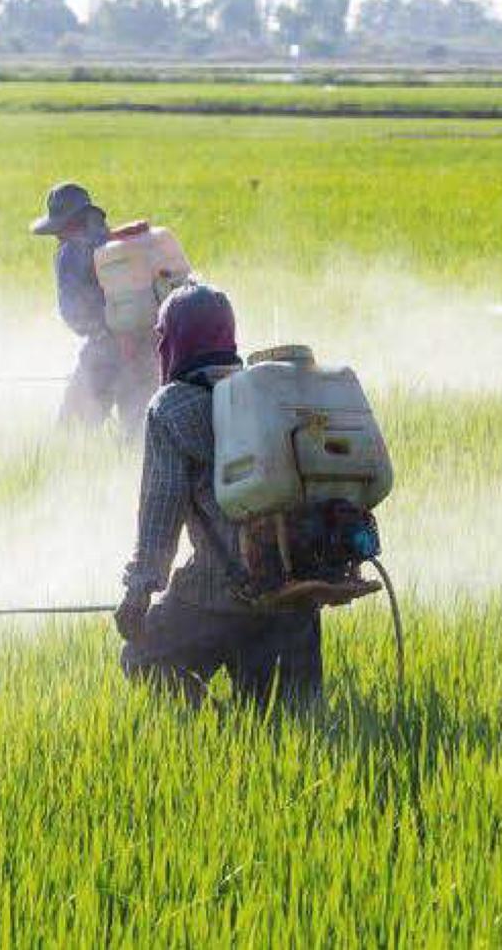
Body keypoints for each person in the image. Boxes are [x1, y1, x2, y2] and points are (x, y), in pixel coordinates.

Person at [115, 283, 323, 710]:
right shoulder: (269, 395)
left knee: (142, 659)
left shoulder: (171, 407)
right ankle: (236, 736)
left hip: (217, 595)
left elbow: (160, 516)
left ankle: (218, 724)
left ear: (175, 342)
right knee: (290, 728)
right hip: (297, 592)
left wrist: (138, 592)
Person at [29, 181, 157, 434]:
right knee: (138, 435)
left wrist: (102, 341)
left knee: (70, 433)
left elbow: (73, 312)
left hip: (105, 351)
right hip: (148, 345)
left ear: (65, 223)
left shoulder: (70, 252)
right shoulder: (112, 242)